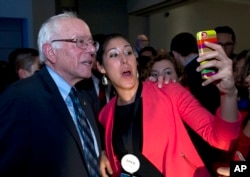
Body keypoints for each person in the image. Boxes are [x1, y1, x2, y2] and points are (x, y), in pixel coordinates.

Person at [96, 33, 241, 177]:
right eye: (114, 55)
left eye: (128, 52)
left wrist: (229, 94)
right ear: (101, 67)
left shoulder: (169, 92)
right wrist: (105, 153)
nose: (124, 60)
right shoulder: (106, 114)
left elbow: (222, 140)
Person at [0, 12, 102, 177]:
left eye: (91, 43)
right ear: (51, 52)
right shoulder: (20, 99)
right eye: (80, 42)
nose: (91, 50)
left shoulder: (84, 96)